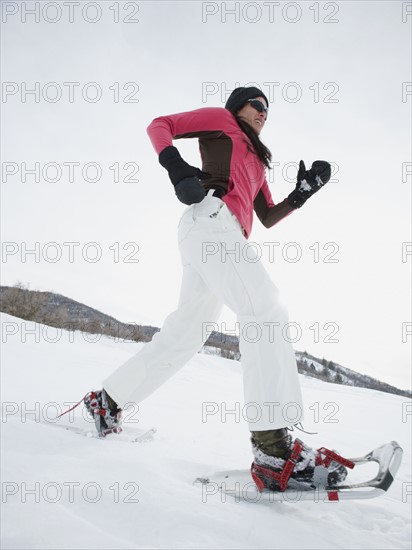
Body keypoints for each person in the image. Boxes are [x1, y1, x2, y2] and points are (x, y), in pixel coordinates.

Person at [84, 87, 347, 489]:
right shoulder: (220, 121)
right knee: (265, 310)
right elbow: (161, 125)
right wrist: (178, 171)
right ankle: (272, 449)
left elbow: (267, 215)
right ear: (237, 106)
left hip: (224, 236)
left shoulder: (257, 160)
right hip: (210, 219)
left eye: (267, 110)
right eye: (256, 105)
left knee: (186, 335)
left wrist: (301, 195)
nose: (263, 113)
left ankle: (108, 400)